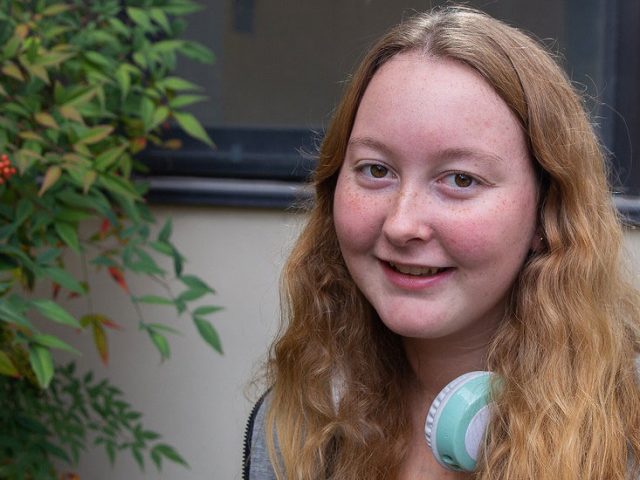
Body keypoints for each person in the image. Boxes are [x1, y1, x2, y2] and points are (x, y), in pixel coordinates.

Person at [244, 6, 640, 479]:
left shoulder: (629, 428)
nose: (401, 224)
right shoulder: (300, 423)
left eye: (460, 178)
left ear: (546, 213)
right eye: (376, 170)